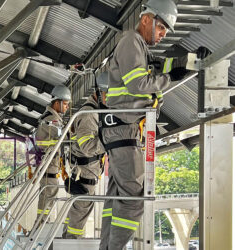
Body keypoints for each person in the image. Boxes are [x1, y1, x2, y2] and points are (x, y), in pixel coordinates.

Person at [99, 0, 211, 249]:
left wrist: (190, 60)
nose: (162, 35)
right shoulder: (131, 41)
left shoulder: (140, 48)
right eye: (161, 28)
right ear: (147, 19)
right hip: (124, 128)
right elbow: (138, 84)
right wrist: (169, 79)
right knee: (135, 200)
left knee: (116, 198)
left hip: (121, 130)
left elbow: (159, 69)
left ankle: (106, 246)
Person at [62, 72, 108, 239]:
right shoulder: (89, 114)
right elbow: (88, 147)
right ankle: (70, 244)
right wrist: (110, 142)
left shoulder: (96, 111)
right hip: (85, 175)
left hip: (85, 173)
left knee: (77, 214)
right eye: (108, 94)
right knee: (79, 215)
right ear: (99, 92)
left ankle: (69, 241)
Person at [34, 84, 71, 224]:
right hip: (49, 165)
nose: (67, 107)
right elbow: (65, 138)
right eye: (65, 104)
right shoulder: (51, 120)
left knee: (49, 195)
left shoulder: (52, 118)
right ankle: (41, 224)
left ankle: (43, 222)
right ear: (57, 103)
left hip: (50, 165)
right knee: (48, 195)